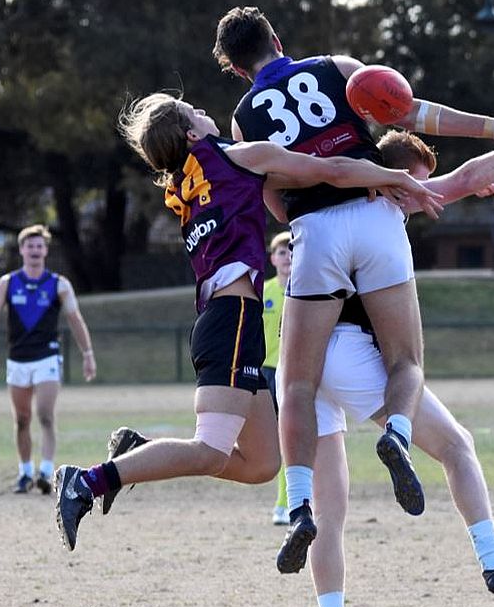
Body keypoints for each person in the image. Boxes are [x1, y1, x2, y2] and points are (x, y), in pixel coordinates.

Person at [51, 93, 441, 552]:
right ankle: (87, 481)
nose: (202, 109)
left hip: (232, 323)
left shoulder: (184, 182)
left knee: (260, 464)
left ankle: (138, 451)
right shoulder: (238, 157)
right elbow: (332, 171)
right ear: (193, 133)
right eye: (194, 111)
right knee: (210, 450)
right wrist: (395, 176)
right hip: (230, 320)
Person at [213, 6, 494, 567]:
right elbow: (411, 111)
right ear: (278, 38)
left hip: (315, 229)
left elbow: (274, 200)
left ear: (236, 69)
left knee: (297, 383)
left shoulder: (241, 118)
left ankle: (300, 505)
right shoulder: (336, 67)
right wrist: (492, 127)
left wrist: (308, 214)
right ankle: (401, 437)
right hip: (375, 212)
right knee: (409, 363)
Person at [295, 114, 494, 607]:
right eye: (415, 184)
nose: (422, 197)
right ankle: (493, 560)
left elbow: (464, 179)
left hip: (301, 363)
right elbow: (468, 174)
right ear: (390, 179)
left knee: (330, 516)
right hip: (348, 356)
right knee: (455, 444)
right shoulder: (380, 213)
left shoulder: (324, 203)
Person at [0, 224, 97, 494]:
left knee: (45, 416)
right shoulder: (7, 283)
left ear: (46, 250)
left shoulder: (59, 285)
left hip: (47, 357)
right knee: (22, 419)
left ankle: (46, 472)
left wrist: (88, 354)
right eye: (30, 246)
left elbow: (76, 320)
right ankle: (25, 472)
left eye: (40, 246)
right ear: (22, 250)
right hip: (17, 360)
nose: (35, 250)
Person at [262, 231, 293, 525]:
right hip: (265, 372)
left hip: (294, 372)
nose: (288, 257)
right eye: (282, 252)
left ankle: (286, 503)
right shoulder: (264, 291)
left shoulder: (305, 290)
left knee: (291, 439)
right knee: (271, 443)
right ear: (272, 258)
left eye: (292, 251)